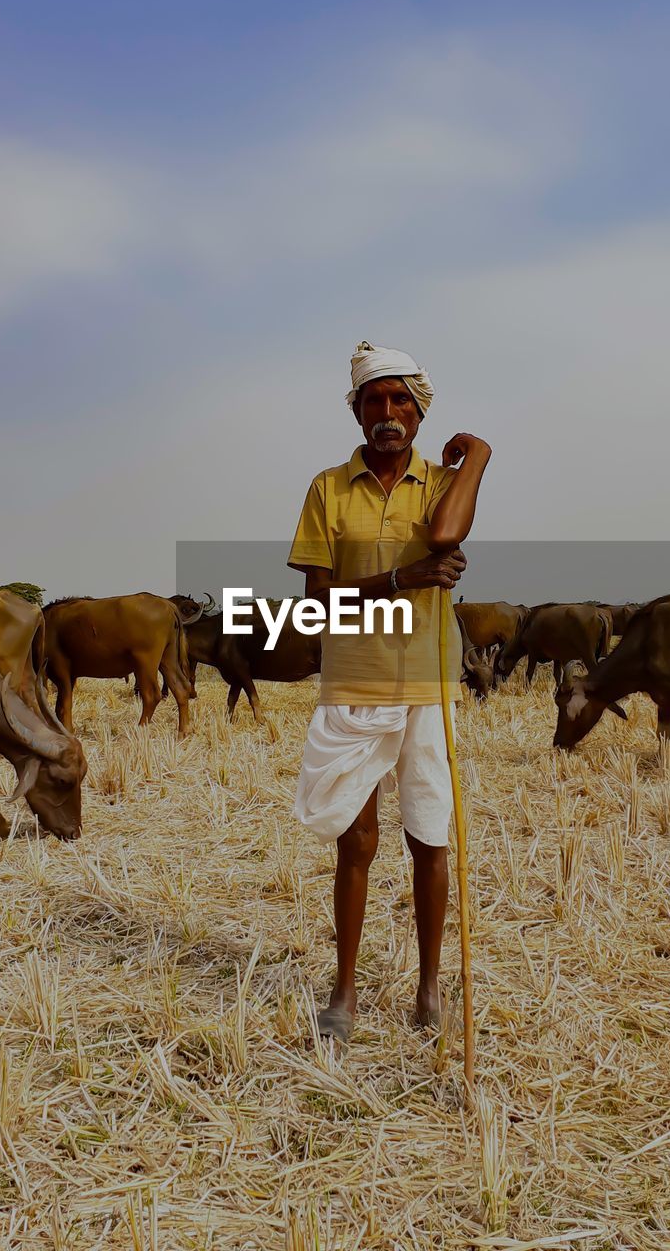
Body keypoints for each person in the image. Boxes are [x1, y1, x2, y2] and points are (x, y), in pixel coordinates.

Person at [288, 340, 491, 1041]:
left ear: (420, 411)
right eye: (374, 400)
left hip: (429, 683)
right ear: (356, 411)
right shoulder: (327, 488)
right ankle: (343, 991)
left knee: (429, 838)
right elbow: (318, 599)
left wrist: (481, 456)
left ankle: (429, 989)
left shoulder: (440, 485)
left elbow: (445, 533)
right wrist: (399, 581)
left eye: (401, 400)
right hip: (353, 680)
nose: (388, 412)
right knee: (356, 841)